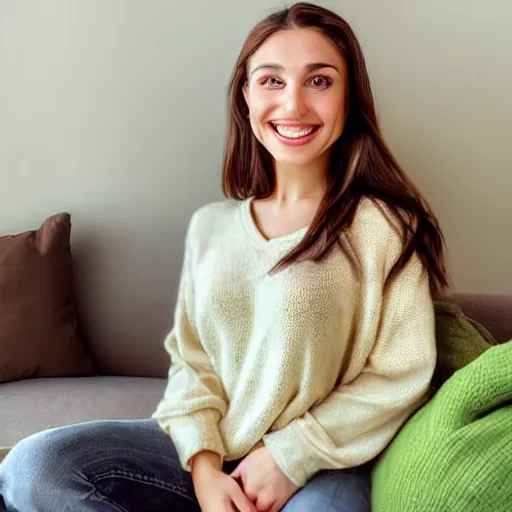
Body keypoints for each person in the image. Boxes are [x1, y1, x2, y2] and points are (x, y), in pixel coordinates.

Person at [0, 2, 449, 511]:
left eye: (319, 81)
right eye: (271, 81)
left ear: (350, 98)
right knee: (35, 466)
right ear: (246, 95)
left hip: (324, 466)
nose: (294, 105)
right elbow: (195, 364)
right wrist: (204, 470)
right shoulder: (212, 228)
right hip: (209, 454)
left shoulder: (385, 225)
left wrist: (288, 456)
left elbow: (401, 372)